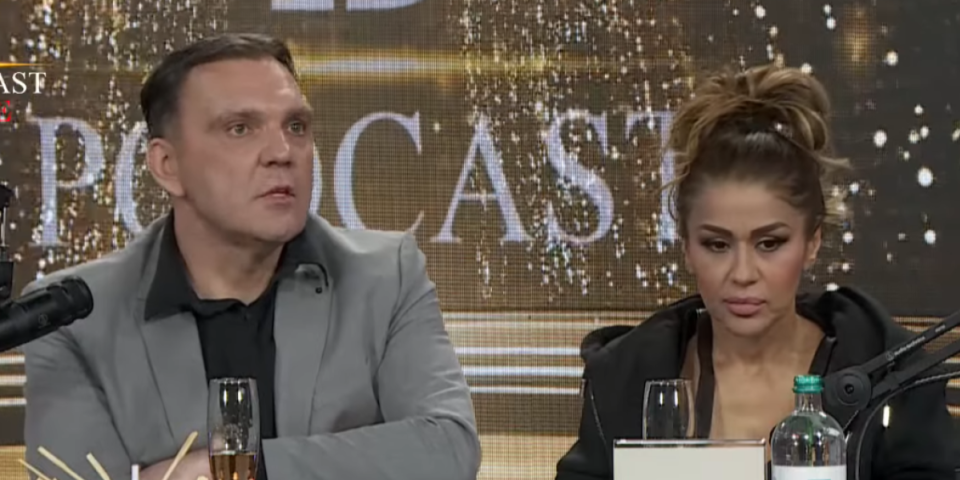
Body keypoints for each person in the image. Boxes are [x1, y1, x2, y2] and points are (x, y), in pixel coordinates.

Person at [22, 33, 480, 480]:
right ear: (167, 166)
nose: (282, 152)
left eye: (296, 126)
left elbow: (447, 448)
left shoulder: (386, 277)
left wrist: (240, 468)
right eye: (239, 128)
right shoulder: (72, 317)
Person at [555, 64, 958, 480]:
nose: (743, 273)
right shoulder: (625, 380)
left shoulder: (892, 380)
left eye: (769, 244)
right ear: (686, 246)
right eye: (717, 245)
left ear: (812, 242)